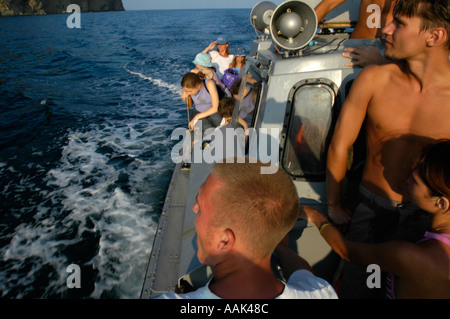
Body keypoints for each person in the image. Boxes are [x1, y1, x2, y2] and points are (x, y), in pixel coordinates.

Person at [326, 0, 450, 298]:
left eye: (400, 23)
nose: (385, 29)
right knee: (362, 290)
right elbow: (340, 145)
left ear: (435, 36)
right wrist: (333, 203)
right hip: (371, 210)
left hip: (429, 223)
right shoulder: (375, 79)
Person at [156, 159, 338, 299]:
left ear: (224, 241)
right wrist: (281, 248)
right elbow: (304, 276)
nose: (194, 208)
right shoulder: (322, 293)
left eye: (200, 207)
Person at [301, 139, 450, 299]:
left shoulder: (409, 256)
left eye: (414, 180)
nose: (406, 180)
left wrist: (316, 217)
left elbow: (347, 251)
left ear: (441, 202)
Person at [315, 0, 396, 67]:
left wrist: (382, 60)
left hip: (392, 61)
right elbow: (326, 5)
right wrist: (304, 32)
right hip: (354, 53)